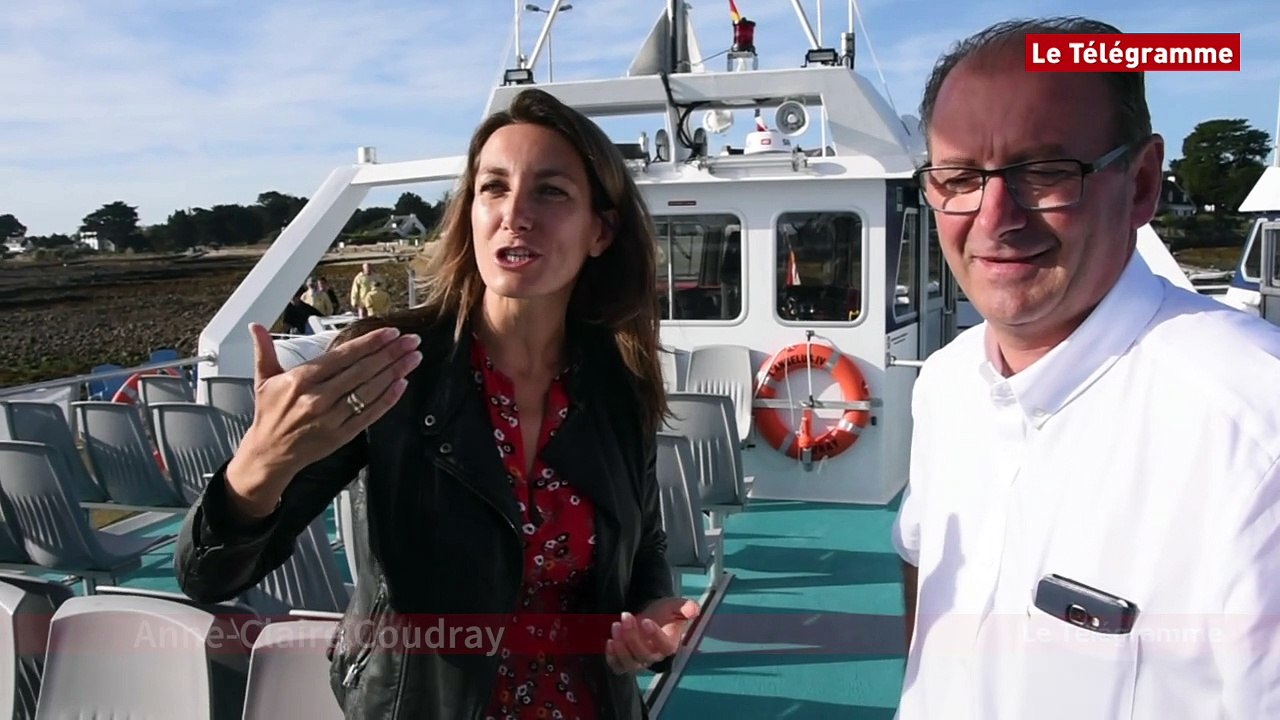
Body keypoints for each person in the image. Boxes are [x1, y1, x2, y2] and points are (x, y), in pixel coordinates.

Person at [174, 88, 699, 719]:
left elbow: (645, 546)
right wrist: (260, 463)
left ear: (600, 231)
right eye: (493, 188)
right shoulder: (393, 361)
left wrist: (651, 623)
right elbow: (208, 578)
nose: (515, 215)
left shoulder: (619, 384)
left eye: (550, 191)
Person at [893, 16, 1280, 720]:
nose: (994, 217)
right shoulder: (946, 384)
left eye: (1044, 173)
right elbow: (922, 565)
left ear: (1140, 184)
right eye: (959, 177)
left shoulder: (1254, 429)